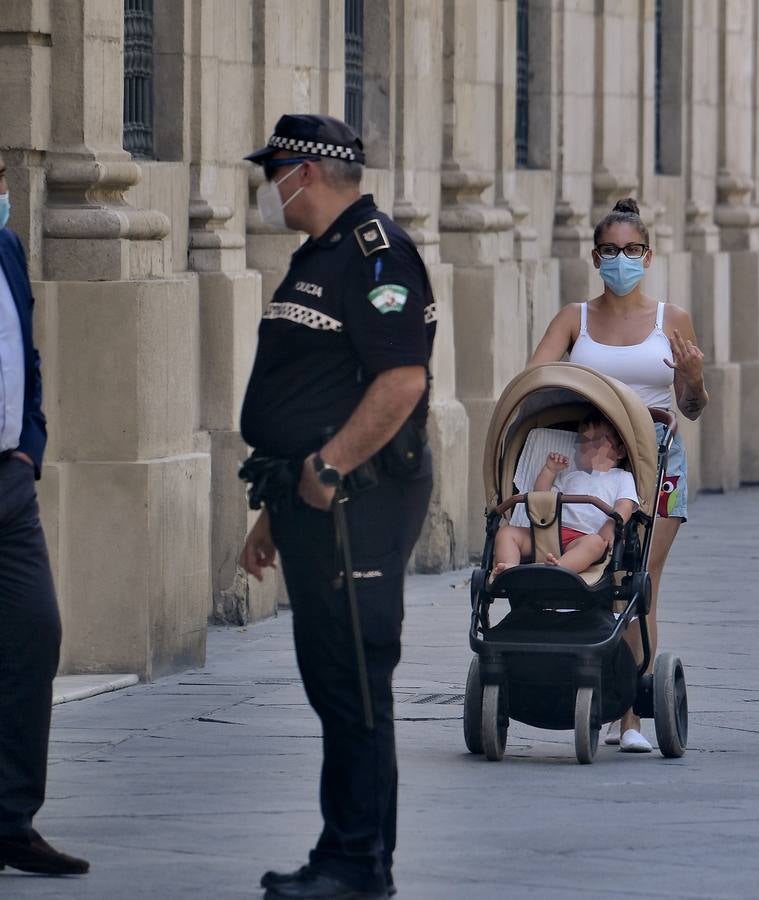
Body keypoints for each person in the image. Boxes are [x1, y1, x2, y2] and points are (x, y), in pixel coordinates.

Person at [237, 114, 435, 900]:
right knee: (334, 681)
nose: (266, 187)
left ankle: (359, 866)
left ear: (305, 172)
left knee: (354, 677)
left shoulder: (374, 252)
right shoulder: (321, 254)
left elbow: (401, 382)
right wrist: (278, 503)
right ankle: (343, 851)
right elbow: (313, 388)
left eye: (271, 171)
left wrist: (326, 468)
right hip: (313, 497)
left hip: (361, 498)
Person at [527, 197, 708, 754]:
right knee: (598, 576)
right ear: (595, 256)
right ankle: (602, 691)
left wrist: (694, 378)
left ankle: (628, 713)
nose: (621, 260)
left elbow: (694, 406)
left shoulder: (670, 320)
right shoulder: (573, 318)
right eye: (610, 251)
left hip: (656, 458)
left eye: (631, 250)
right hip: (594, 458)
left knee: (638, 581)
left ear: (648, 256)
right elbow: (534, 383)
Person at [0, 154, 90, 878]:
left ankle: (9, 819)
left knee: (35, 634)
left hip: (9, 481)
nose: (3, 187)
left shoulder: (7, 245)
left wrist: (31, 443)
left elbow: (23, 353)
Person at [492, 413, 638, 577]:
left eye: (596, 442)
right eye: (583, 441)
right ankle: (510, 569)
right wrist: (549, 471)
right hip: (549, 533)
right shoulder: (570, 477)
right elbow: (540, 498)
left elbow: (625, 504)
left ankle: (559, 569)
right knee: (507, 533)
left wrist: (611, 525)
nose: (585, 447)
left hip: (584, 537)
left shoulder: (621, 477)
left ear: (620, 452)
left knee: (596, 543)